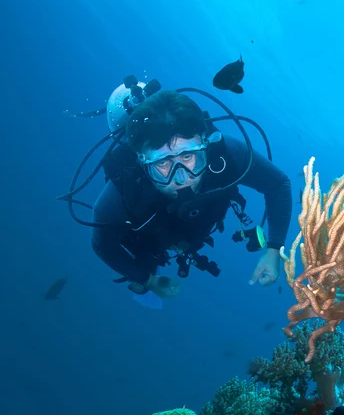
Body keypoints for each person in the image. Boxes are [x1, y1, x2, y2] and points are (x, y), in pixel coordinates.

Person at [90, 85, 292, 299]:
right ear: (142, 161)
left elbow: (278, 184)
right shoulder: (122, 191)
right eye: (163, 163)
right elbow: (102, 245)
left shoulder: (226, 155)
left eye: (187, 157)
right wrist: (148, 279)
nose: (181, 178)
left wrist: (274, 250)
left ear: (206, 146)